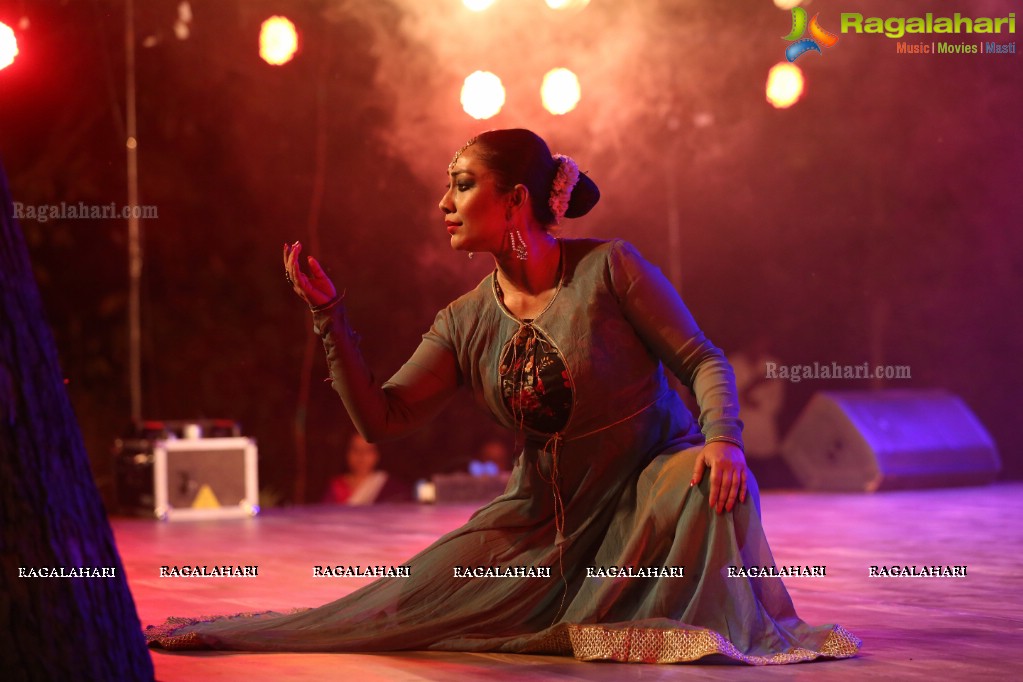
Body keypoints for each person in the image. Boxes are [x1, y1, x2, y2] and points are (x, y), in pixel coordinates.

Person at [146, 129, 860, 664]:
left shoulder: (610, 269)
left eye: (459, 183)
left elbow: (701, 358)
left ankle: (682, 623)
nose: (442, 201)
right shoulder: (463, 321)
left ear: (516, 198)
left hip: (649, 487)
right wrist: (329, 318)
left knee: (706, 486)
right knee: (407, 604)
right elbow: (382, 418)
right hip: (540, 518)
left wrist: (723, 439)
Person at [323, 433, 392, 505]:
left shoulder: (389, 487)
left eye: (368, 450)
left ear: (377, 454)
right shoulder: (336, 487)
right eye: (355, 449)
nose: (361, 455)